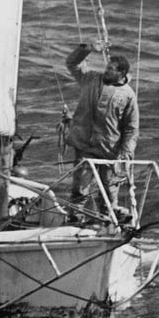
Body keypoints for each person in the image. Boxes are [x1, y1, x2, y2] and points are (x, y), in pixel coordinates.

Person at [64, 40, 139, 219]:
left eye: (111, 69)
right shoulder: (90, 79)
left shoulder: (128, 95)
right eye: (107, 67)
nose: (106, 71)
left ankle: (108, 224)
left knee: (108, 194)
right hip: (85, 146)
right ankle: (75, 222)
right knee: (80, 190)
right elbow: (71, 63)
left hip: (110, 152)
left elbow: (131, 129)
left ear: (121, 73)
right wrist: (88, 49)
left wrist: (125, 154)